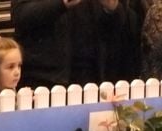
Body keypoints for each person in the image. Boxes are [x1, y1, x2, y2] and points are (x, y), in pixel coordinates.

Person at [11, 0, 144, 89]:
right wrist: (61, 4)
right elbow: (21, 15)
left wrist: (112, 8)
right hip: (44, 78)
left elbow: (124, 26)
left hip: (93, 77)